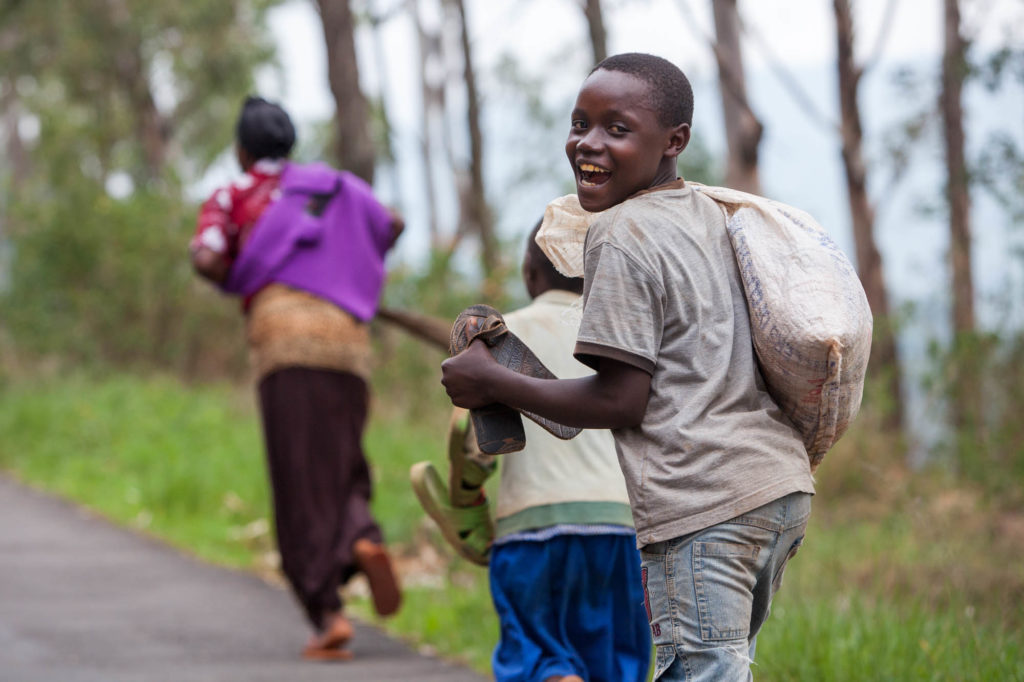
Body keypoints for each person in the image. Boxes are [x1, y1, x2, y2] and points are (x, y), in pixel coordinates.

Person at [440, 53, 816, 681]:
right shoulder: (710, 214)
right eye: (579, 123)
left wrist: (493, 382)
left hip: (703, 499)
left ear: (675, 142)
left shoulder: (619, 232)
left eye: (617, 128)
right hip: (775, 487)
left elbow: (621, 400)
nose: (588, 143)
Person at [190, 96, 405, 661]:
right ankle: (362, 537)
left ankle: (325, 613)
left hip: (284, 345)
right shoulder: (335, 186)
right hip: (348, 346)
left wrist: (245, 268)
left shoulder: (233, 194)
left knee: (296, 477)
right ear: (290, 144)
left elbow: (208, 258)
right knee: (343, 459)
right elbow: (392, 224)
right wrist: (349, 263)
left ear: (241, 150)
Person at [411, 222, 651, 682]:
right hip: (624, 531)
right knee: (618, 662)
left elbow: (471, 446)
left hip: (533, 528)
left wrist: (467, 504)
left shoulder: (501, 339)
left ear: (529, 274)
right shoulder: (625, 338)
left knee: (538, 655)